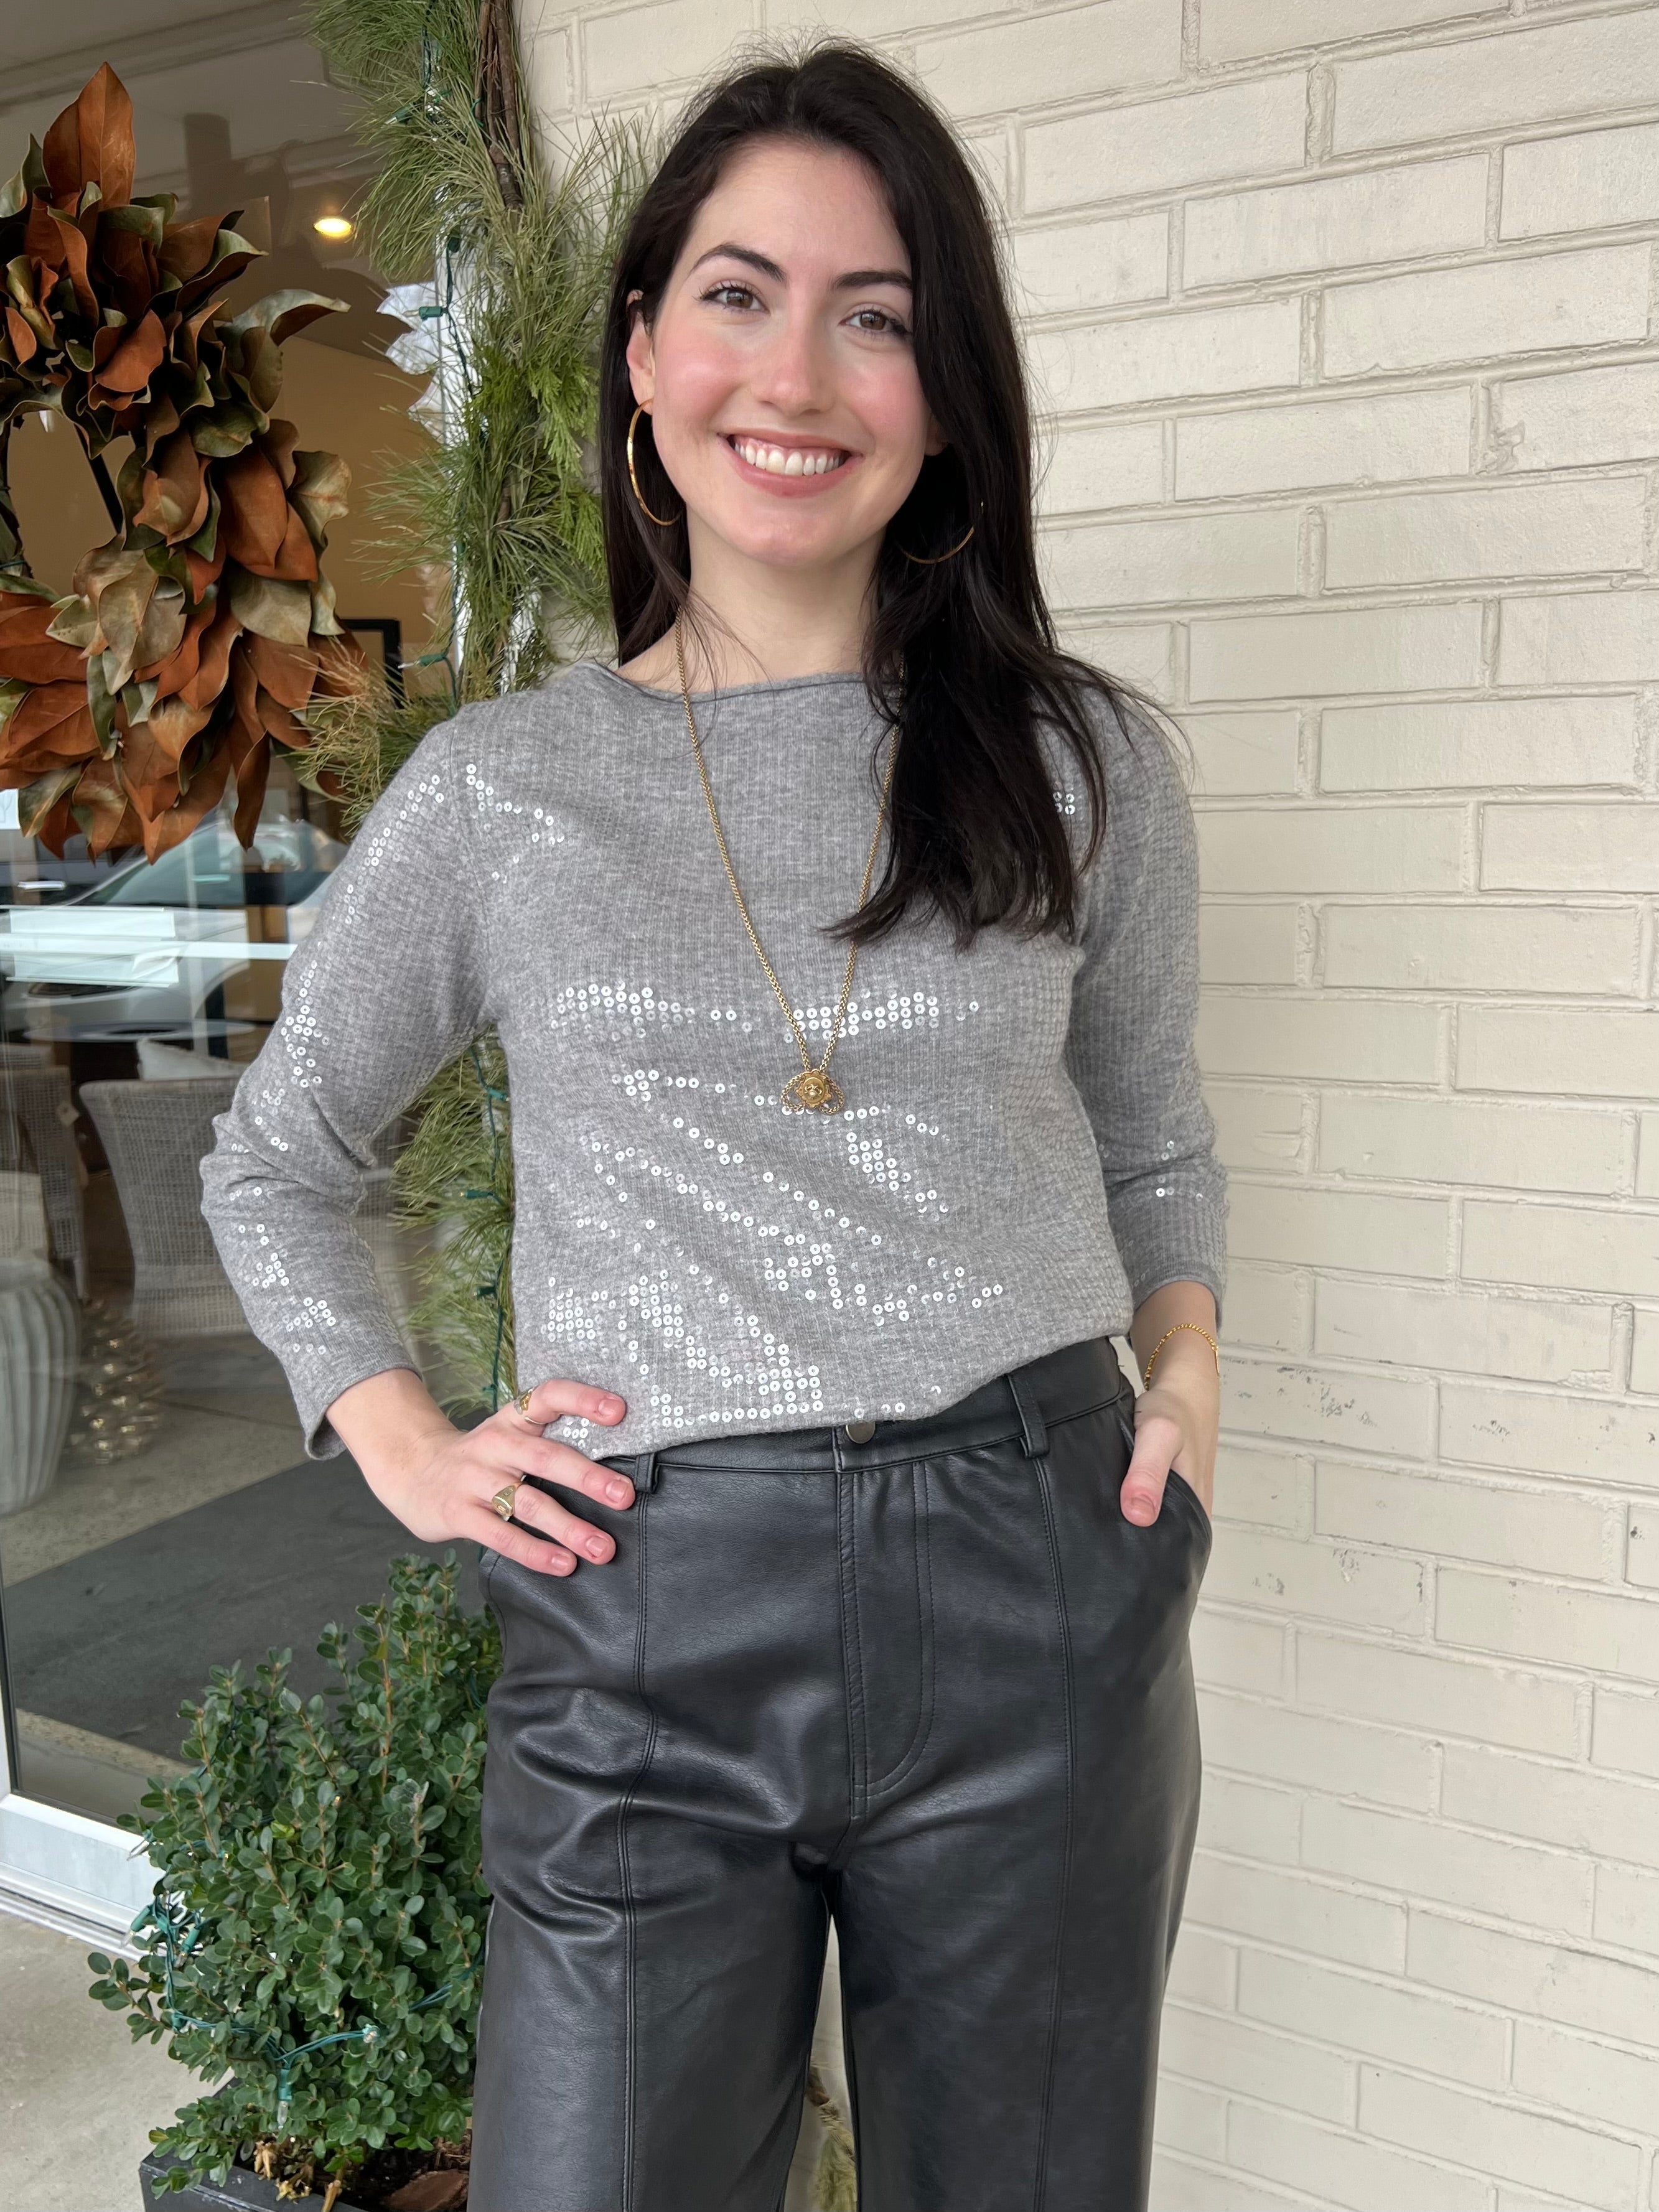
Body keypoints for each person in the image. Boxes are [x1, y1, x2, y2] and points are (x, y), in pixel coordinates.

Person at [200, 36, 1227, 2212]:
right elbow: (280, 1153)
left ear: (943, 399)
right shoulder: (503, 791)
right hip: (645, 1609)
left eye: (877, 314)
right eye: (741, 296)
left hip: (1034, 1578)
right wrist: (399, 1436)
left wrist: (1187, 1374)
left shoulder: (1078, 767)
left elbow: (1149, 1135)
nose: (799, 373)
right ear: (644, 355)